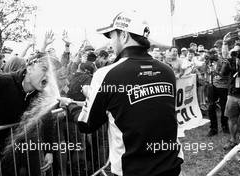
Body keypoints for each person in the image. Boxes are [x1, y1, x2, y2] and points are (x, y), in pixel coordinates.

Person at [59, 10, 183, 176]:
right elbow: (144, 108)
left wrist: (70, 105)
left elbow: (87, 124)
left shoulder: (105, 74)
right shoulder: (167, 71)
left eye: (112, 37)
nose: (111, 44)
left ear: (124, 35)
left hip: (133, 170)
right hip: (171, 165)